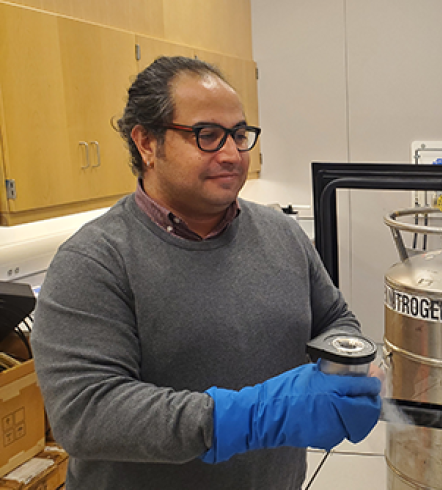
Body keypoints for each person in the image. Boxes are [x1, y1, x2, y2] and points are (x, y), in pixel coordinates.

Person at [30, 56, 382, 489]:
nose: (233, 154)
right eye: (208, 136)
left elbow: (334, 320)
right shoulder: (94, 260)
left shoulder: (282, 235)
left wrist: (348, 369)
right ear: (146, 143)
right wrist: (252, 416)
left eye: (239, 135)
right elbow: (86, 413)